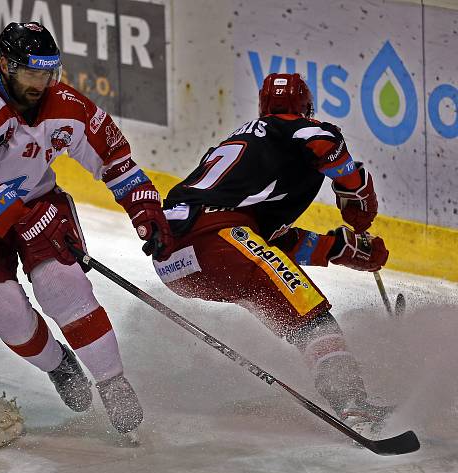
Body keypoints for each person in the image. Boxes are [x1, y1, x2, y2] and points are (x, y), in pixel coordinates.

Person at [0, 21, 173, 434]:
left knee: (62, 285)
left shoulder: (67, 104)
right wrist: (25, 222)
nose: (41, 82)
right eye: (31, 72)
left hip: (38, 199)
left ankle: (112, 381)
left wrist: (145, 210)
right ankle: (59, 365)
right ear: (4, 65)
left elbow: (115, 159)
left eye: (48, 71)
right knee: (2, 310)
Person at [151, 73, 391, 436]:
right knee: (311, 316)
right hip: (216, 239)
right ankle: (353, 404)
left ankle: (341, 388)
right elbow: (324, 142)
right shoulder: (297, 128)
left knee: (278, 296)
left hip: (174, 261)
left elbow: (269, 241)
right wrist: (357, 194)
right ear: (306, 108)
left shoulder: (246, 148)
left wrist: (340, 249)